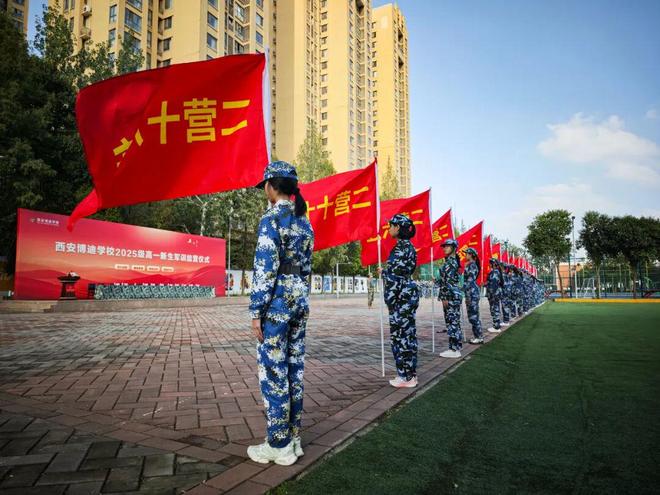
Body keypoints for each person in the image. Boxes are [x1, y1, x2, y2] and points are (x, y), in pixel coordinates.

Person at [247, 161, 314, 466]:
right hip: (299, 299)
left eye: (265, 185)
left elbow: (265, 268)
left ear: (271, 186)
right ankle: (293, 437)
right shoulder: (304, 222)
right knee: (294, 369)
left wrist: (256, 311)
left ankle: (279, 443)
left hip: (276, 303)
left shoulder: (271, 218)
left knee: (274, 372)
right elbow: (307, 267)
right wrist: (300, 295)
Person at [378, 214, 420, 388]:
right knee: (408, 335)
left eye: (391, 225)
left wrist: (389, 299)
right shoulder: (408, 247)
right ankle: (410, 374)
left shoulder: (400, 248)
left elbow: (395, 278)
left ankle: (406, 376)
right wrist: (386, 273)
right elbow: (401, 272)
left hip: (400, 298)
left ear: (398, 228)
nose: (389, 228)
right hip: (407, 295)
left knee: (401, 336)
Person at [437, 239, 464, 358]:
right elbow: (447, 280)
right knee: (454, 321)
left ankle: (454, 350)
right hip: (454, 294)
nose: (444, 248)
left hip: (451, 295)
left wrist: (444, 297)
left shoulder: (450, 263)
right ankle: (455, 347)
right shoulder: (451, 261)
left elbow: (447, 282)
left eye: (447, 246)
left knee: (452, 321)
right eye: (444, 246)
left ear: (453, 248)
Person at [463, 247, 484, 344]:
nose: (465, 255)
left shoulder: (472, 265)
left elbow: (470, 281)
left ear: (471, 255)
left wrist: (466, 293)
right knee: (473, 316)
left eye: (467, 253)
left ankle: (479, 337)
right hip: (471, 292)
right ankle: (478, 336)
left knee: (473, 316)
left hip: (472, 293)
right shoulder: (471, 265)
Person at [485, 258, 504, 334]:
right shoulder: (495, 272)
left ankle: (496, 327)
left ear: (493, 264)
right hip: (495, 293)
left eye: (490, 263)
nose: (489, 264)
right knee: (495, 309)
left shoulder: (495, 272)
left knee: (495, 309)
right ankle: (496, 325)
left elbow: (493, 284)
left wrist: (491, 294)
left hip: (494, 294)